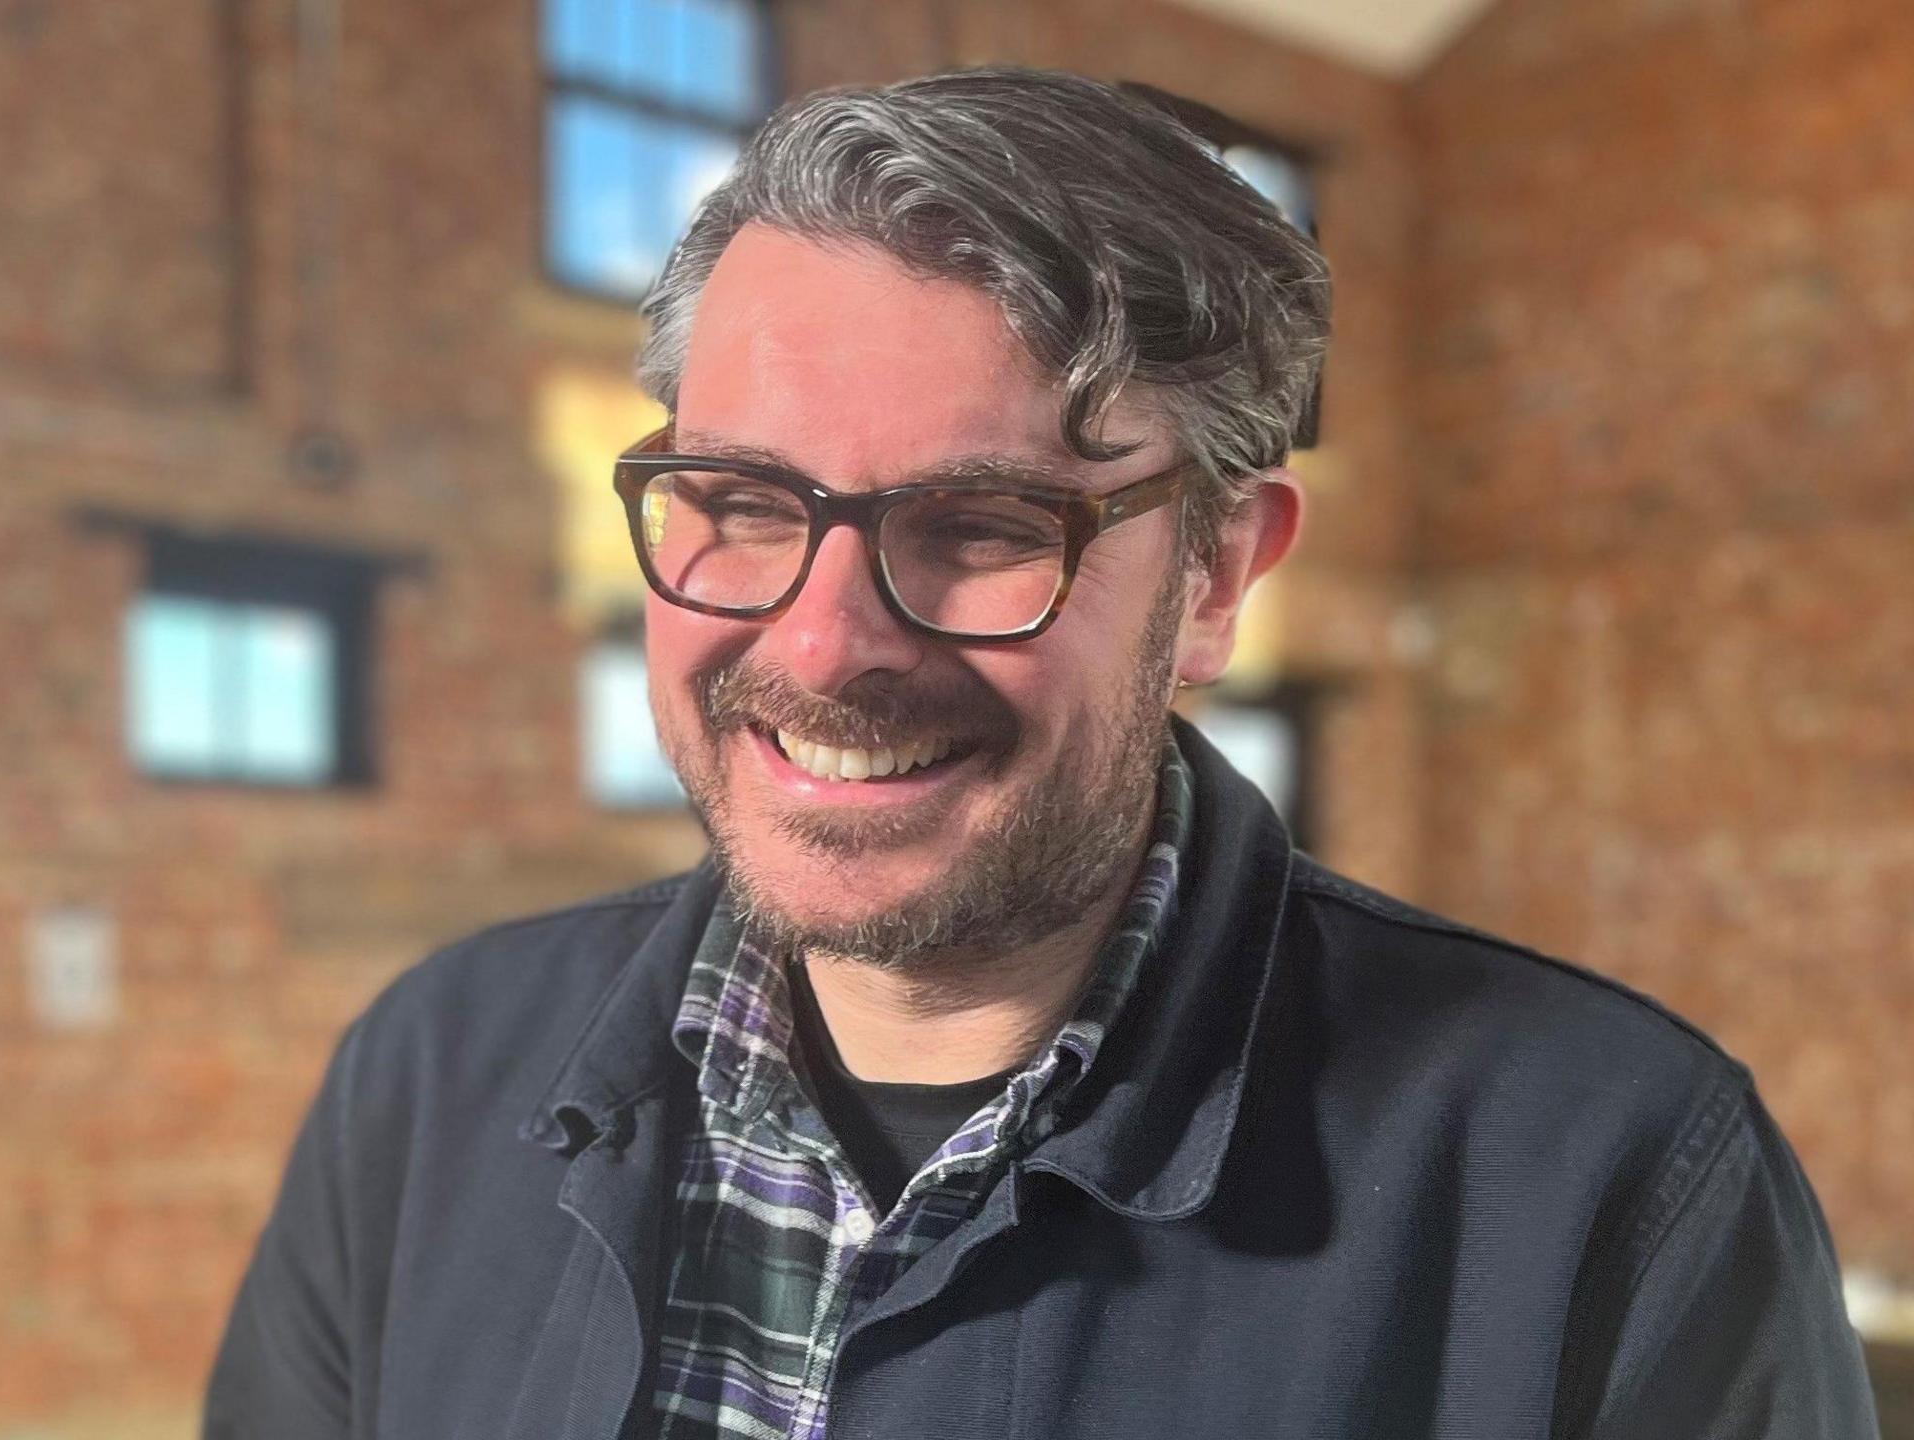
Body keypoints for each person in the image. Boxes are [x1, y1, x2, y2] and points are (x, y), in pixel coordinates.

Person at [203, 68, 1879, 1439]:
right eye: (742, 504)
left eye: (982, 527)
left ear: (1216, 579)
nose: (820, 643)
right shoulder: (429, 1083)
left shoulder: (1607, 1181)